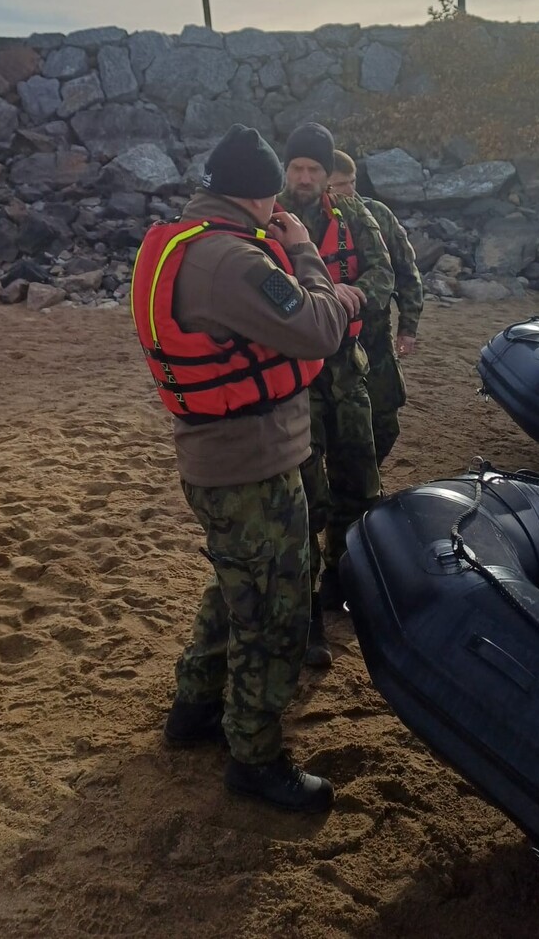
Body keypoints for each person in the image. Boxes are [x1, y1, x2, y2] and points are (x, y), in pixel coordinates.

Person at [130, 124, 347, 813]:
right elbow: (318, 328)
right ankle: (254, 757)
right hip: (252, 466)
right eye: (273, 195)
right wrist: (305, 251)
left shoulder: (184, 242)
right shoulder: (233, 261)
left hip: (214, 458)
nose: (278, 206)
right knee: (275, 612)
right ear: (257, 195)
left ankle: (195, 706)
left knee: (236, 587)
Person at [277, 123, 395, 658]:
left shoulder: (353, 216)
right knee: (304, 499)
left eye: (313, 170)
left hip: (347, 372)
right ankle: (304, 620)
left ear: (328, 175)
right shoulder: (267, 218)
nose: (304, 178)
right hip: (294, 380)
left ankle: (340, 585)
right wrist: (314, 301)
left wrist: (355, 294)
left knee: (360, 483)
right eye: (297, 168)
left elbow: (383, 272)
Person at [328, 149, 423, 465]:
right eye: (340, 185)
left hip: (375, 335)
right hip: (331, 338)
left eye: (352, 182)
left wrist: (408, 327)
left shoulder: (377, 215)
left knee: (385, 420)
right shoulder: (309, 221)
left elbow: (406, 271)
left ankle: (369, 476)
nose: (349, 191)